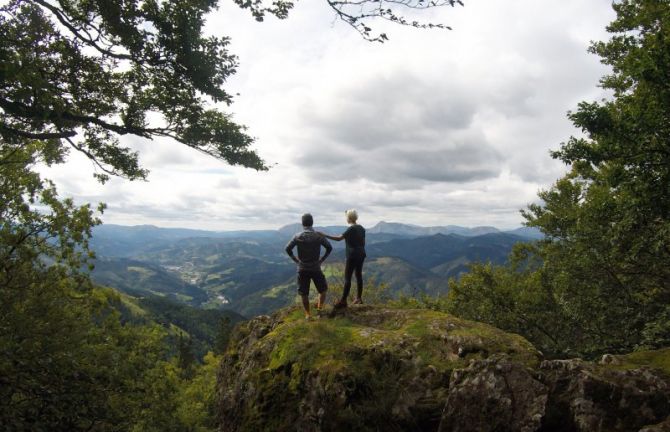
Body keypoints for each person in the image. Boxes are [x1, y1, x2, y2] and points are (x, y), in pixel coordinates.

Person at [285, 213, 333, 319]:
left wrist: (296, 260)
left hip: (302, 268)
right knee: (323, 290)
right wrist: (321, 260)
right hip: (316, 267)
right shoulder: (318, 236)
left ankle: (308, 314)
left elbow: (287, 249)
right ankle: (319, 311)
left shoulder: (297, 236)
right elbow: (329, 247)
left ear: (302, 223)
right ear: (312, 222)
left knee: (304, 293)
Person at [320, 209, 366, 309]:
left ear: (349, 218)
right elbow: (363, 242)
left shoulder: (351, 229)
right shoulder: (362, 228)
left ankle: (343, 301)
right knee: (358, 275)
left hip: (352, 255)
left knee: (347, 278)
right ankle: (359, 298)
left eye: (346, 217)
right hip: (361, 253)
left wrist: (325, 235)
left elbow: (339, 238)